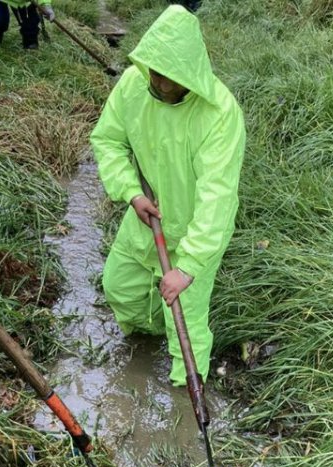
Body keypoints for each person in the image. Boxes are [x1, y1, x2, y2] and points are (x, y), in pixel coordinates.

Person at [91, 5, 245, 386]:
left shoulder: (220, 115)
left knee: (186, 328)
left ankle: (183, 398)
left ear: (191, 75)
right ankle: (146, 345)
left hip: (196, 234)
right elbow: (107, 140)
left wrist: (188, 267)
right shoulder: (132, 85)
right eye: (154, 72)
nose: (159, 83)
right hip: (146, 217)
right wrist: (130, 192)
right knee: (119, 287)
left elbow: (217, 199)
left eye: (170, 77)